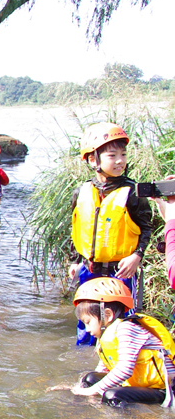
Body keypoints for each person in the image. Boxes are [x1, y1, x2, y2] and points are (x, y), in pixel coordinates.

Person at [68, 122, 152, 345]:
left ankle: (116, 371)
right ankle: (84, 369)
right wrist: (75, 261)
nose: (120, 161)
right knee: (87, 323)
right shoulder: (82, 191)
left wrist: (137, 256)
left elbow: (146, 227)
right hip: (89, 269)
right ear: (93, 160)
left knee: (120, 326)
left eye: (123, 154)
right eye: (112, 155)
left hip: (120, 272)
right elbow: (77, 228)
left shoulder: (133, 192)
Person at [63, 277, 175, 407]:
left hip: (162, 389)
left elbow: (125, 370)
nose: (87, 329)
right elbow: (103, 369)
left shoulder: (126, 329)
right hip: (139, 384)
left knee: (112, 395)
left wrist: (91, 391)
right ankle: (91, 410)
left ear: (108, 315)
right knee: (90, 379)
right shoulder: (108, 335)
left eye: (88, 322)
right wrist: (75, 389)